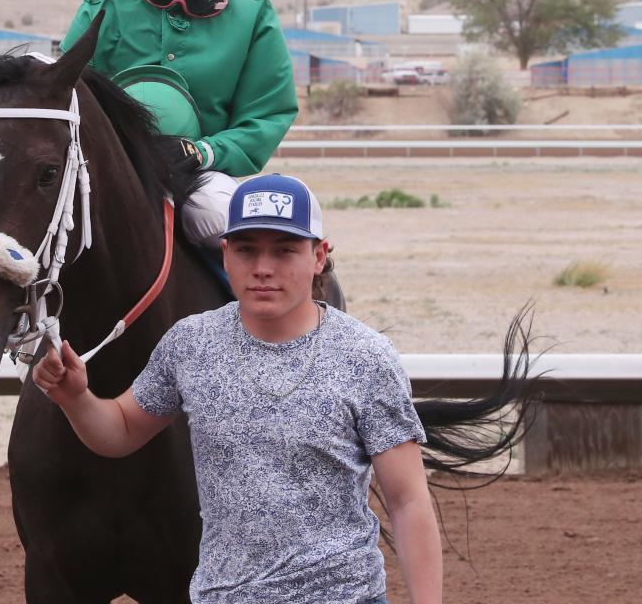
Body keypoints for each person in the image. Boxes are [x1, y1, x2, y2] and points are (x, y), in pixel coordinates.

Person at [34, 173, 442, 604]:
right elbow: (119, 430)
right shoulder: (189, 344)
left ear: (319, 256)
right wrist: (75, 398)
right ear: (226, 254)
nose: (263, 268)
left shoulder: (367, 356)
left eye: (285, 250)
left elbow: (408, 500)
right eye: (247, 249)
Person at [60, 0, 298, 248]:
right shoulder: (100, 9)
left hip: (203, 179)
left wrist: (203, 151)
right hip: (111, 175)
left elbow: (268, 114)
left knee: (226, 217)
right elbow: (64, 99)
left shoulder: (252, 15)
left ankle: (256, 308)